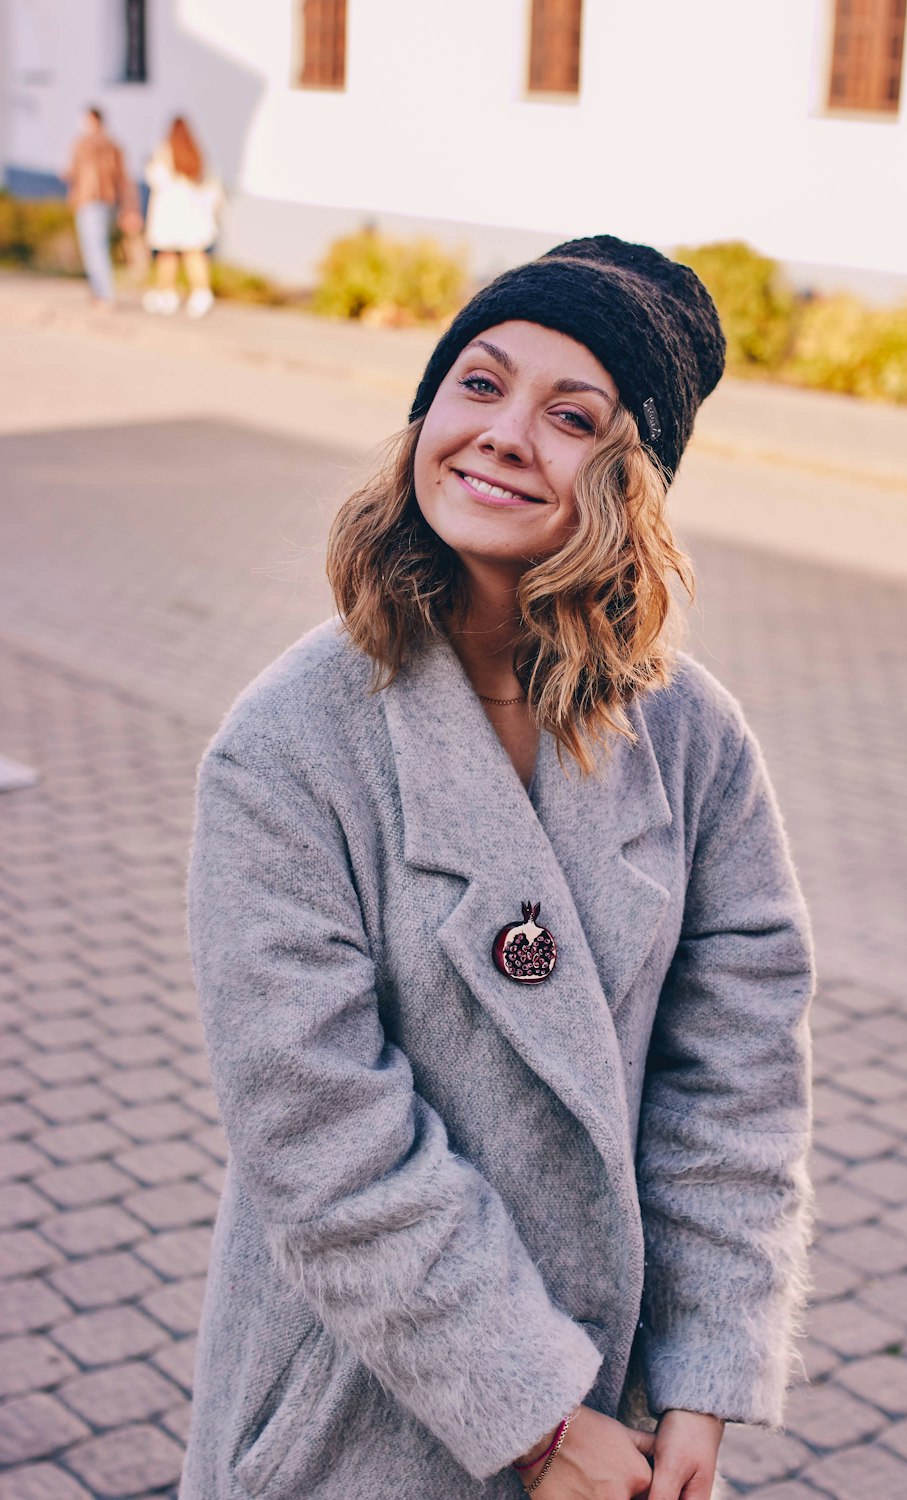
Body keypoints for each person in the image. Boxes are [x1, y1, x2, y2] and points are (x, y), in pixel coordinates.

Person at [184, 237, 814, 1500]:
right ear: (424, 412)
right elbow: (320, 1135)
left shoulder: (693, 741)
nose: (505, 434)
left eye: (570, 415)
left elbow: (737, 1080)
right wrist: (534, 1413)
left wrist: (701, 1374)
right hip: (353, 1409)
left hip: (618, 1418)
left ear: (633, 482)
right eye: (479, 384)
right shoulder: (289, 742)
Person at [142, 116, 220, 318]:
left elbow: (156, 178)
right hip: (193, 214)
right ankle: (201, 293)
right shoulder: (196, 152)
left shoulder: (164, 152)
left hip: (170, 213)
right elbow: (211, 186)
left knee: (167, 255)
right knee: (194, 254)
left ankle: (166, 293)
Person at [63, 106, 140, 309]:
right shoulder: (113, 145)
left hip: (89, 199)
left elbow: (73, 171)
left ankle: (104, 293)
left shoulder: (84, 144)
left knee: (94, 248)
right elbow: (123, 178)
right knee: (98, 247)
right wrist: (128, 206)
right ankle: (100, 292)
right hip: (108, 200)